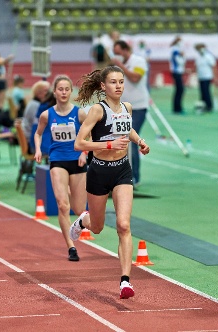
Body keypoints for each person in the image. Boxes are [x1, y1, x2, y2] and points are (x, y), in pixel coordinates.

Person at [69, 65, 150, 299]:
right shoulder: (97, 110)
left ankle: (125, 282)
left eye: (122, 82)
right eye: (114, 82)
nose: (119, 86)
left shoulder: (128, 107)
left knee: (124, 225)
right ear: (103, 86)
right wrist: (108, 145)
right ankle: (84, 221)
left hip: (122, 172)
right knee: (97, 226)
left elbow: (128, 128)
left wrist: (139, 141)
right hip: (99, 172)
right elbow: (79, 143)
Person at [34, 75, 88, 262]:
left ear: (71, 92)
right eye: (60, 89)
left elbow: (90, 133)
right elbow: (38, 133)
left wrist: (84, 152)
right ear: (55, 92)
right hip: (57, 161)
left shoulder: (80, 114)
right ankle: (71, 247)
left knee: (79, 209)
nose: (64, 92)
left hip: (78, 161)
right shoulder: (47, 115)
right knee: (62, 204)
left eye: (67, 89)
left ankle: (77, 226)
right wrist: (39, 149)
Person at [111, 40, 150, 187]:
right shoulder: (115, 66)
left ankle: (135, 177)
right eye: (115, 54)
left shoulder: (138, 61)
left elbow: (135, 78)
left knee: (131, 140)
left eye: (119, 53)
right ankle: (122, 175)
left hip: (139, 107)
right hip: (122, 108)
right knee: (119, 142)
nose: (117, 56)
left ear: (126, 50)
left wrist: (120, 67)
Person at [22, 80, 51, 150]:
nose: (49, 94)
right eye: (46, 91)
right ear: (38, 93)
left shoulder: (33, 103)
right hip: (32, 141)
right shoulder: (36, 106)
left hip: (30, 137)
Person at [194, 43, 217, 113]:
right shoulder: (198, 57)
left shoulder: (209, 56)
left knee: (206, 92)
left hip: (207, 76)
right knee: (202, 92)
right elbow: (196, 67)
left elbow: (214, 66)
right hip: (200, 77)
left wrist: (215, 76)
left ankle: (209, 106)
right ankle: (202, 105)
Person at [169, 36, 186, 114]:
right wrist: (183, 56)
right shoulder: (175, 50)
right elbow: (180, 62)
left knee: (179, 90)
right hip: (176, 72)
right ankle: (177, 108)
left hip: (177, 71)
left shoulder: (176, 50)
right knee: (180, 90)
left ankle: (177, 108)